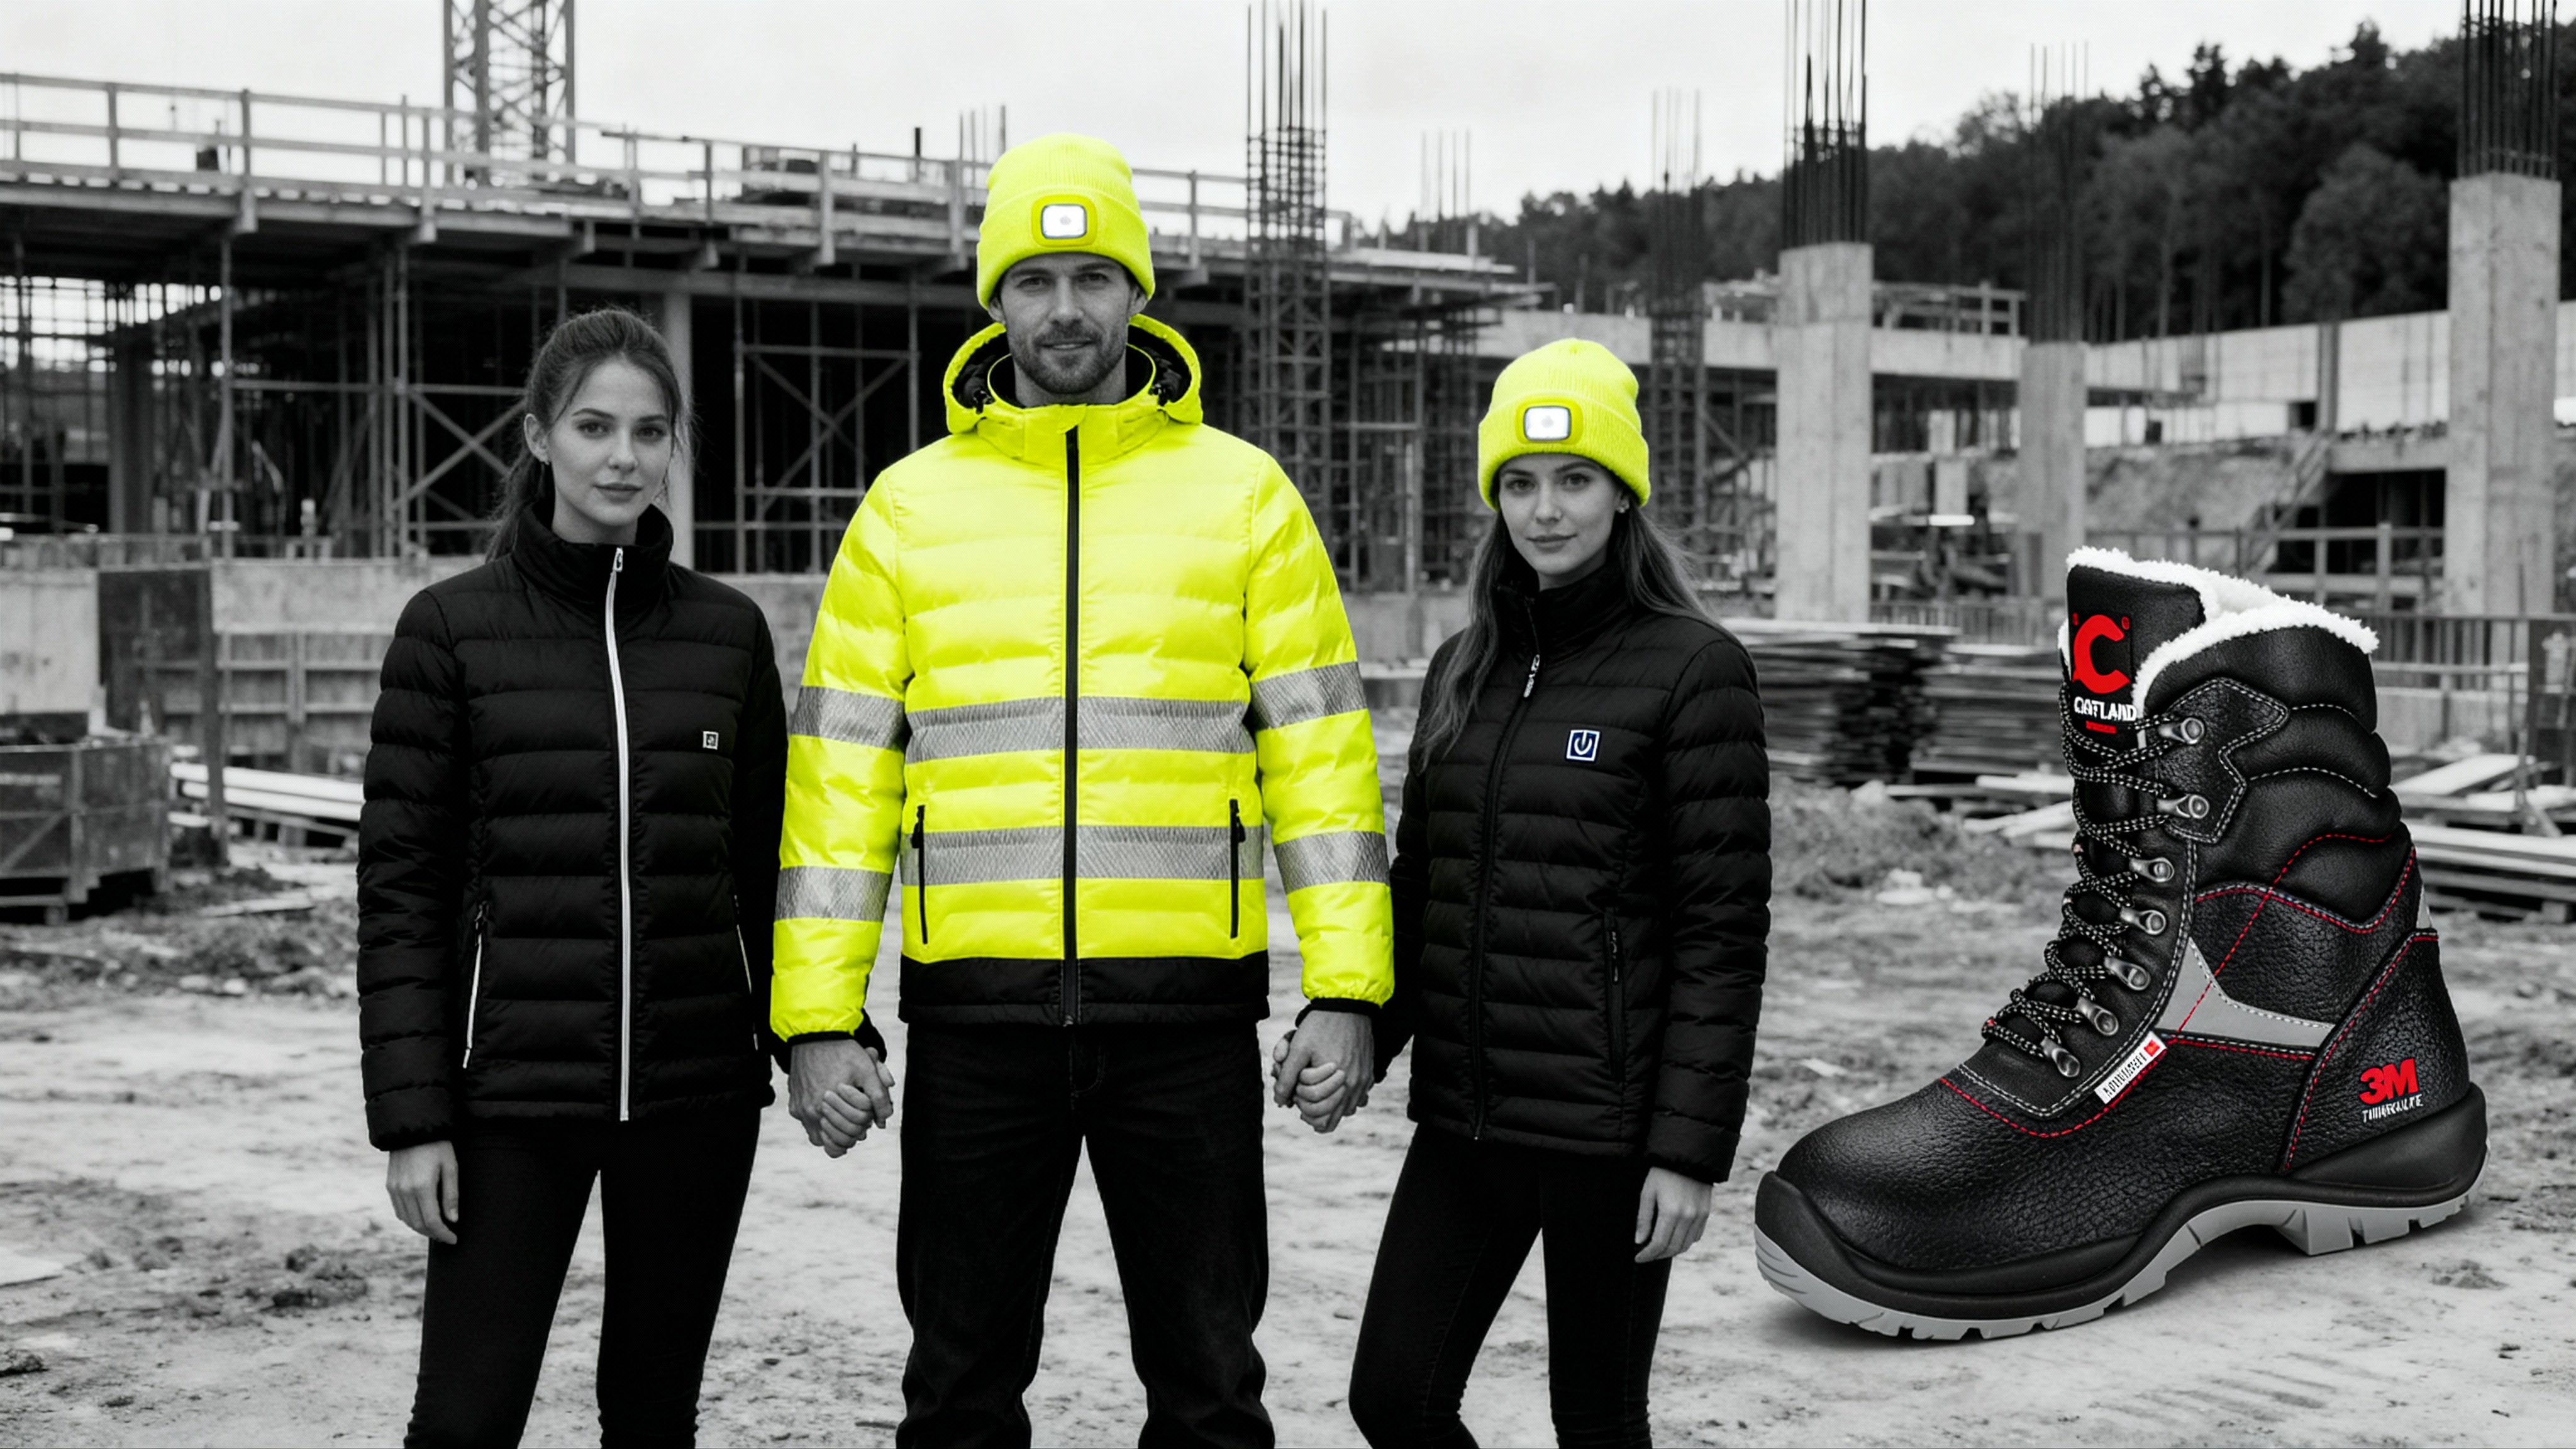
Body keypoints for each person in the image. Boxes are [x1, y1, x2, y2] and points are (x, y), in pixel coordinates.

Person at [769, 133, 1393, 1447]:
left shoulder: (1244, 500)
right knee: (956, 1393)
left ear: (1137, 294)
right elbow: (837, 786)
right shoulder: (904, 512)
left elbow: (1321, 767)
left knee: (1212, 1392)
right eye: (1035, 278)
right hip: (972, 1026)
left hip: (1186, 1025)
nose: (1064, 309)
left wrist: (1346, 993)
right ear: (992, 298)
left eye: (1094, 277)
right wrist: (817, 1019)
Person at [358, 308, 841, 1446]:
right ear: (539, 437)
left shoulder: (727, 636)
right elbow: (402, 894)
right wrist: (412, 1120)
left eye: (649, 431)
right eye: (593, 427)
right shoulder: (449, 631)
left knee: (653, 1412)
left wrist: (816, 1036)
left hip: (695, 1099)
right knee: (467, 1419)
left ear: (673, 446)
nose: (623, 456)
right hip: (512, 1102)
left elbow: (772, 865)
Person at [1326, 340, 1771, 1448]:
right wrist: (1360, 1034)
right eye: (1519, 484)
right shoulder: (1461, 667)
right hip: (1468, 1116)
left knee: (1597, 1423)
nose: (1546, 510)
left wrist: (1686, 1149)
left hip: (1609, 1135)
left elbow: (1722, 931)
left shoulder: (1692, 667)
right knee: (1395, 1396)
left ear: (1624, 492)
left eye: (1574, 479)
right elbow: (1422, 885)